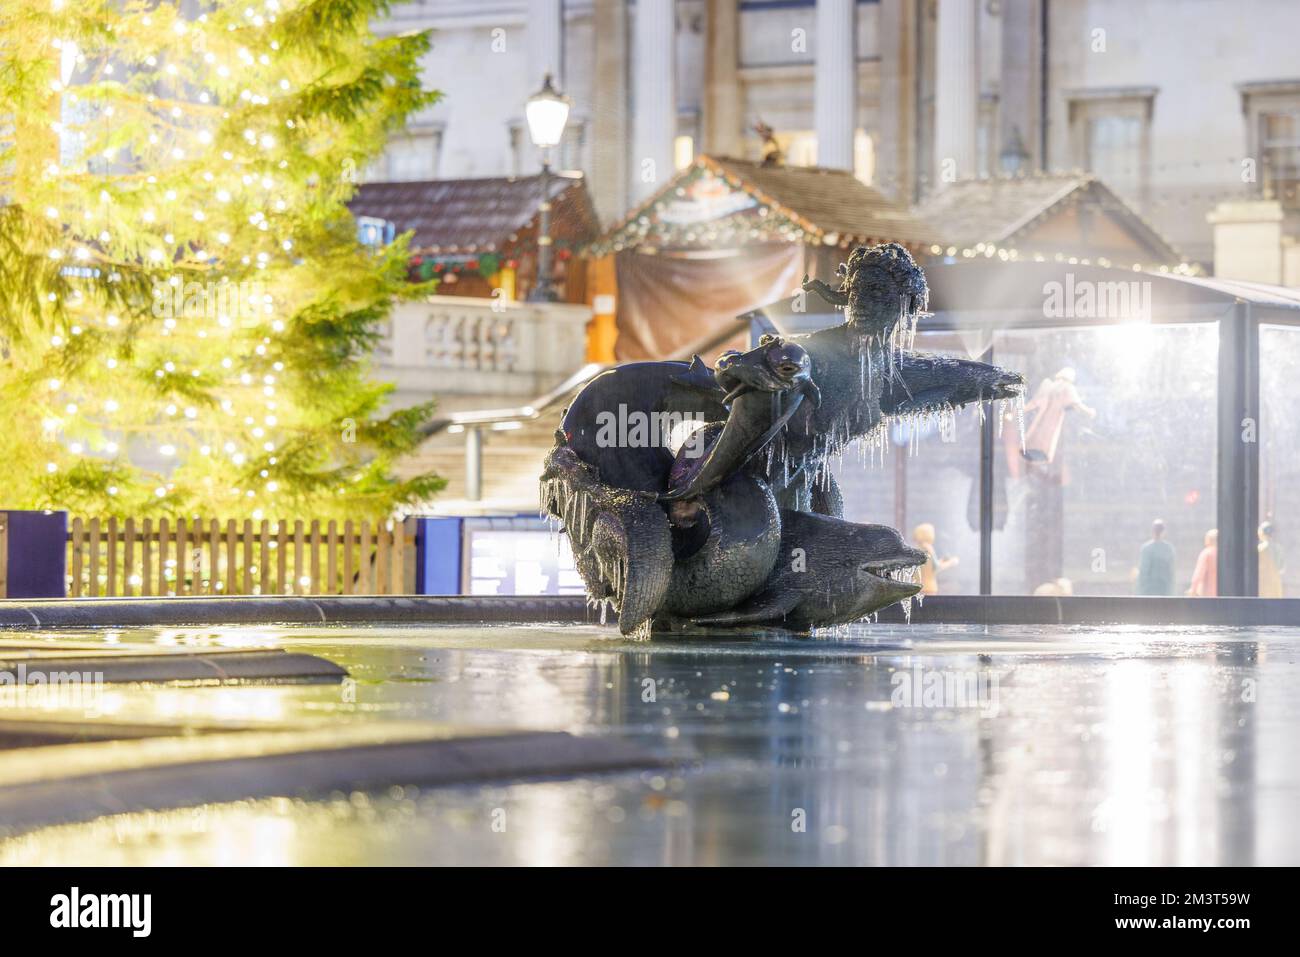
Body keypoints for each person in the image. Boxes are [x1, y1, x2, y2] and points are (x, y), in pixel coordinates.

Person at [913, 523, 959, 595]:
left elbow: (929, 566)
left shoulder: (917, 549)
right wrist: (951, 562)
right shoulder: (928, 549)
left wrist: (941, 561)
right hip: (929, 587)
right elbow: (935, 568)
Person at [1135, 519, 1176, 596]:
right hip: (1163, 591)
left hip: (1150, 592)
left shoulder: (1146, 548)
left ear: (1152, 531)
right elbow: (1171, 573)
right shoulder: (1169, 549)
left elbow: (1143, 573)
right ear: (1164, 532)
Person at [1188, 529, 1218, 597]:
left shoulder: (1207, 553)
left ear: (1208, 539)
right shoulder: (1224, 554)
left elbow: (1199, 573)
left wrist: (1193, 590)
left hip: (1208, 594)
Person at [1259, 522, 1285, 598]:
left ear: (1261, 533)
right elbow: (1282, 568)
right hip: (1275, 582)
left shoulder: (1260, 548)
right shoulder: (1279, 549)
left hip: (1263, 583)